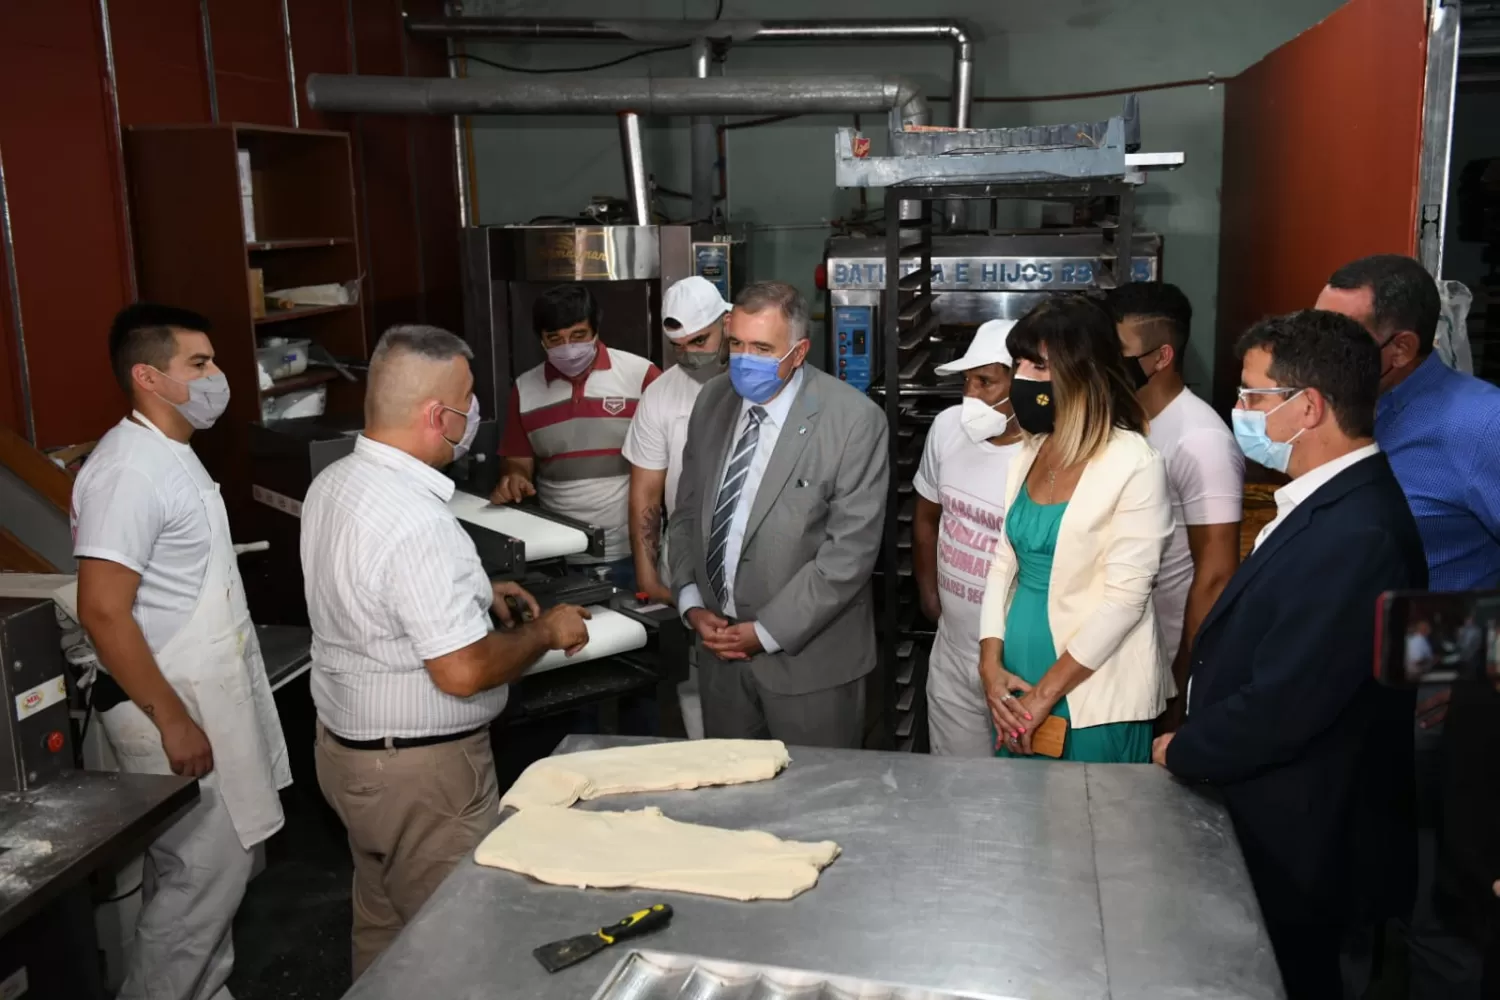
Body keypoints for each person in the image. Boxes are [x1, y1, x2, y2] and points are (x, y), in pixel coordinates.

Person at [301, 325, 591, 979]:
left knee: (385, 933)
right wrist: (548, 631)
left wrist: (472, 591)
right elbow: (460, 671)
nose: (476, 414)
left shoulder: (336, 484)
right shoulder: (419, 523)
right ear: (439, 415)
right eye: (468, 399)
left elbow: (369, 594)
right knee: (461, 953)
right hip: (424, 781)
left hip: (350, 760)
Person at [1156, 310, 1426, 999]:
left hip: (1310, 841)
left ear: (1308, 408)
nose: (1238, 412)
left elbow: (1287, 703)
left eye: (1251, 397)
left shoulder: (1357, 531)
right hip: (1280, 818)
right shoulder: (1325, 503)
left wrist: (1182, 748)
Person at [73, 303, 291, 1000]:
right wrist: (171, 718)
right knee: (202, 883)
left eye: (213, 361)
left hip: (206, 696)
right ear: (147, 376)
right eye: (197, 365)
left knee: (207, 876)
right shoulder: (127, 471)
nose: (216, 376)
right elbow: (103, 610)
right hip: (172, 704)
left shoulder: (174, 454)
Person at [1316, 253, 1498, 999]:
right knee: (1341, 898)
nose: (1316, 343)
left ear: (1400, 349)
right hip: (1344, 700)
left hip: (1436, 710)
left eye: (1339, 332)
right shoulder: (1338, 408)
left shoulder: (1478, 425)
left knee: (1435, 917)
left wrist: (1454, 666)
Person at [668, 281, 888, 748]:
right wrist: (691, 601)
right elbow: (686, 512)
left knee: (815, 807)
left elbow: (849, 555)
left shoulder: (853, 422)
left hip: (810, 670)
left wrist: (766, 632)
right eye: (738, 344)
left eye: (763, 348)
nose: (746, 359)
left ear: (799, 351)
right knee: (732, 805)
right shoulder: (712, 401)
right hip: (719, 658)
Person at [980, 295, 1174, 763]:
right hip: (1017, 676)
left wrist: (1044, 695)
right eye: (1019, 363)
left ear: (1084, 373)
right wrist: (990, 662)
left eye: (1039, 366)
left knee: (1090, 827)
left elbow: (1125, 599)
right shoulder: (1030, 451)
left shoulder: (1134, 462)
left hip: (1092, 688)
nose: (1022, 378)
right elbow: (1004, 560)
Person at [1107, 282, 1243, 729]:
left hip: (1161, 663)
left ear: (1161, 357)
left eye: (1118, 352)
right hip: (1110, 655)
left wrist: (1182, 683)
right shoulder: (1120, 421)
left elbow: (1216, 572)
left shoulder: (1202, 441)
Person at [491, 283, 661, 589]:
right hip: (559, 554)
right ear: (541, 340)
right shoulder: (525, 389)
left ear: (596, 330)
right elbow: (517, 463)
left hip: (632, 554)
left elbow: (668, 465)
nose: (568, 348)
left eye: (578, 336)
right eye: (555, 339)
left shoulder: (641, 376)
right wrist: (513, 478)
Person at [912, 319, 1024, 757]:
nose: (971, 395)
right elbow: (926, 517)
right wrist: (930, 596)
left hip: (1017, 661)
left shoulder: (1047, 451)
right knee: (956, 787)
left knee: (1020, 796)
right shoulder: (946, 428)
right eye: (967, 381)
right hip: (952, 649)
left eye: (986, 382)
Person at [622, 276, 731, 604]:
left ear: (726, 323)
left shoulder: (758, 377)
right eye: (678, 346)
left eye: (700, 341)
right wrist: (648, 578)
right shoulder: (660, 394)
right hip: (684, 556)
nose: (689, 355)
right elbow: (646, 493)